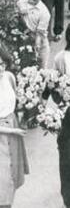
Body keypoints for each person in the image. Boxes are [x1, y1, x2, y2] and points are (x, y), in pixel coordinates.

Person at [0, 46, 29, 208]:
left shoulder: (9, 77)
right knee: (2, 183)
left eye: (2, 64)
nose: (0, 68)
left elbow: (18, 101)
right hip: (4, 134)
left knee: (12, 179)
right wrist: (12, 130)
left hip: (13, 130)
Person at [17, 0, 50, 69]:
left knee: (41, 70)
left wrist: (37, 46)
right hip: (23, 41)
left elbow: (39, 34)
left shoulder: (44, 12)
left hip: (39, 43)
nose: (31, 1)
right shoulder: (21, 3)